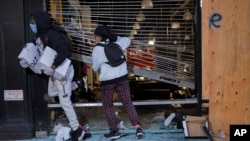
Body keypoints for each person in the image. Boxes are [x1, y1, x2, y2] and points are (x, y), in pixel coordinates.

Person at [28, 11, 90, 141]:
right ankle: (76, 84)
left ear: (40, 21)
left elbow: (64, 50)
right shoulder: (38, 37)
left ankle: (76, 129)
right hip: (54, 72)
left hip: (63, 70)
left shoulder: (51, 34)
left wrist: (55, 64)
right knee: (51, 92)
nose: (31, 23)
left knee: (64, 102)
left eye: (33, 20)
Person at [91, 25, 144, 139]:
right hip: (122, 78)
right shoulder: (118, 43)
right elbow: (128, 40)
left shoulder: (97, 49)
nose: (95, 38)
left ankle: (114, 131)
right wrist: (115, 38)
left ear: (99, 36)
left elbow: (95, 68)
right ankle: (138, 128)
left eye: (96, 36)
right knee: (127, 103)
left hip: (107, 81)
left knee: (108, 106)